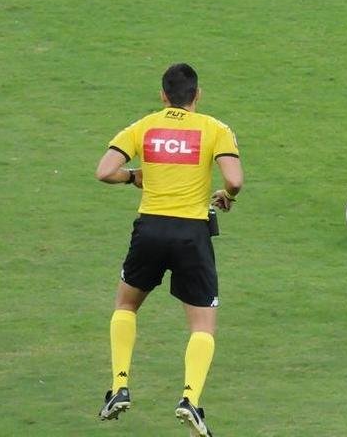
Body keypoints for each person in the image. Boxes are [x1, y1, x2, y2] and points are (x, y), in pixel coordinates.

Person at [95, 63, 244, 437]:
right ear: (198, 95)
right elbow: (234, 179)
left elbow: (105, 170)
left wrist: (134, 176)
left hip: (149, 229)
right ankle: (190, 399)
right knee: (202, 324)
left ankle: (119, 386)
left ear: (163, 95)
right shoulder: (214, 129)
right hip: (191, 234)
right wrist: (226, 196)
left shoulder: (143, 127)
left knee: (126, 304)